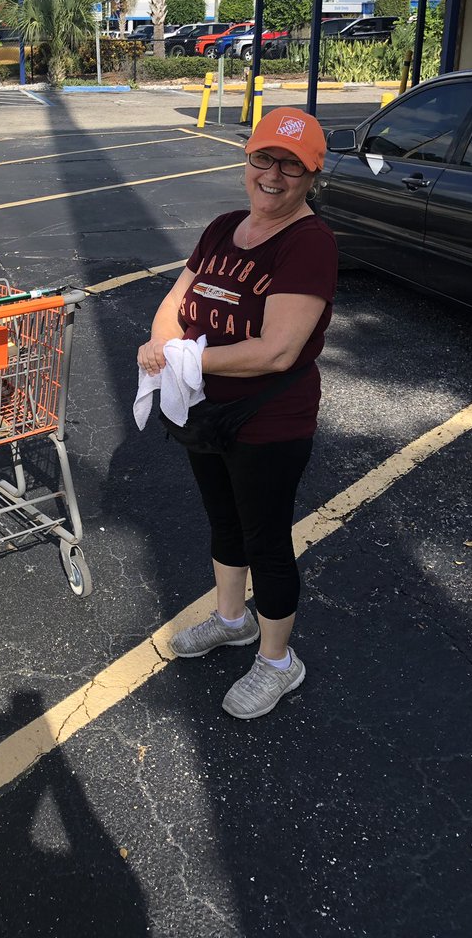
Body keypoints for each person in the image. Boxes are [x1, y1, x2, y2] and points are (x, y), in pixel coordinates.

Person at [137, 107, 338, 719]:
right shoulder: (224, 226)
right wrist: (160, 342)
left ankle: (280, 661)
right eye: (263, 159)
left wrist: (189, 358)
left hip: (270, 420)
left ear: (312, 177)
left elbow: (278, 351)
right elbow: (179, 296)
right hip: (207, 412)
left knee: (267, 539)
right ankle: (232, 621)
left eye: (291, 166)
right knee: (223, 521)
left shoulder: (310, 243)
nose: (273, 176)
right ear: (246, 159)